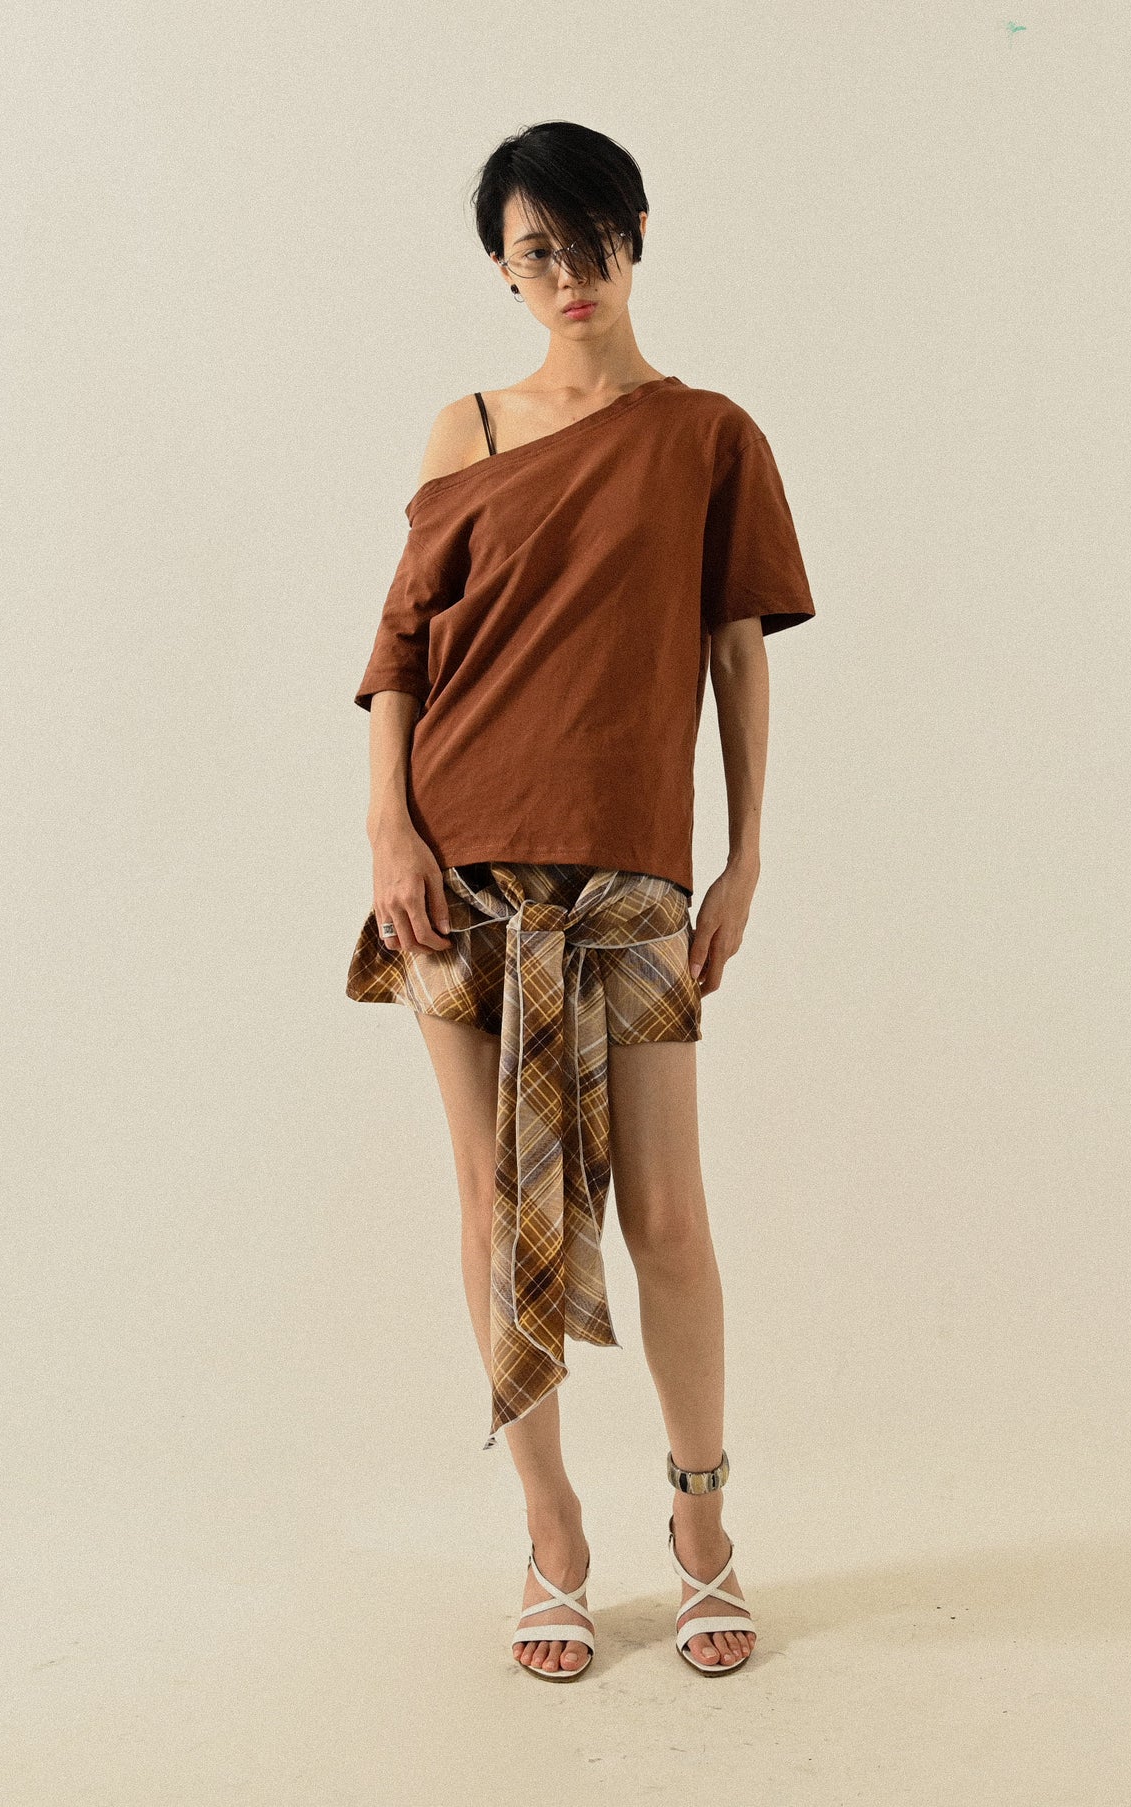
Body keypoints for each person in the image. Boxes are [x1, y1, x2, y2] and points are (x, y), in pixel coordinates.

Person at [345, 120, 816, 1680]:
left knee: (666, 1217)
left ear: (637, 236)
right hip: (457, 862)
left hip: (631, 870)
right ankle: (550, 1529)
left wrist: (743, 856)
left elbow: (735, 651)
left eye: (594, 240)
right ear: (503, 267)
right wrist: (387, 832)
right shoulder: (468, 428)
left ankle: (701, 1517)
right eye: (537, 251)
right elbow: (401, 649)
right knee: (494, 1203)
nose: (572, 275)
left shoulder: (709, 435)